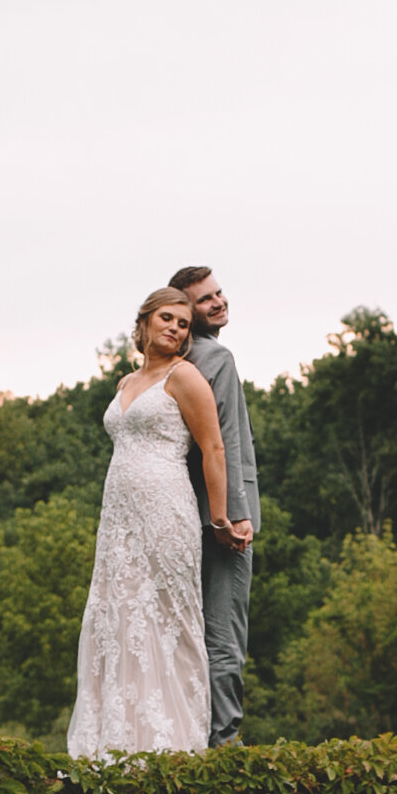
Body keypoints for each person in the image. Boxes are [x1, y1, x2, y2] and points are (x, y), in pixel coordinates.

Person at [67, 287, 246, 757]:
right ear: (144, 323)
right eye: (167, 318)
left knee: (163, 618)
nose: (175, 328)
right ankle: (117, 740)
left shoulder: (185, 376)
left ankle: (175, 742)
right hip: (119, 520)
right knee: (118, 616)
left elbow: (214, 448)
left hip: (166, 510)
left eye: (184, 324)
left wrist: (221, 517)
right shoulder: (125, 383)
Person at [167, 264, 258, 747]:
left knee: (188, 628)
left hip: (178, 510)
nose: (218, 302)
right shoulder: (215, 358)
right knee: (224, 632)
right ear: (187, 310)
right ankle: (224, 740)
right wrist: (235, 515)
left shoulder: (172, 365)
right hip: (222, 515)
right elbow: (221, 444)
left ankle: (188, 731)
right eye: (205, 300)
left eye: (219, 293)